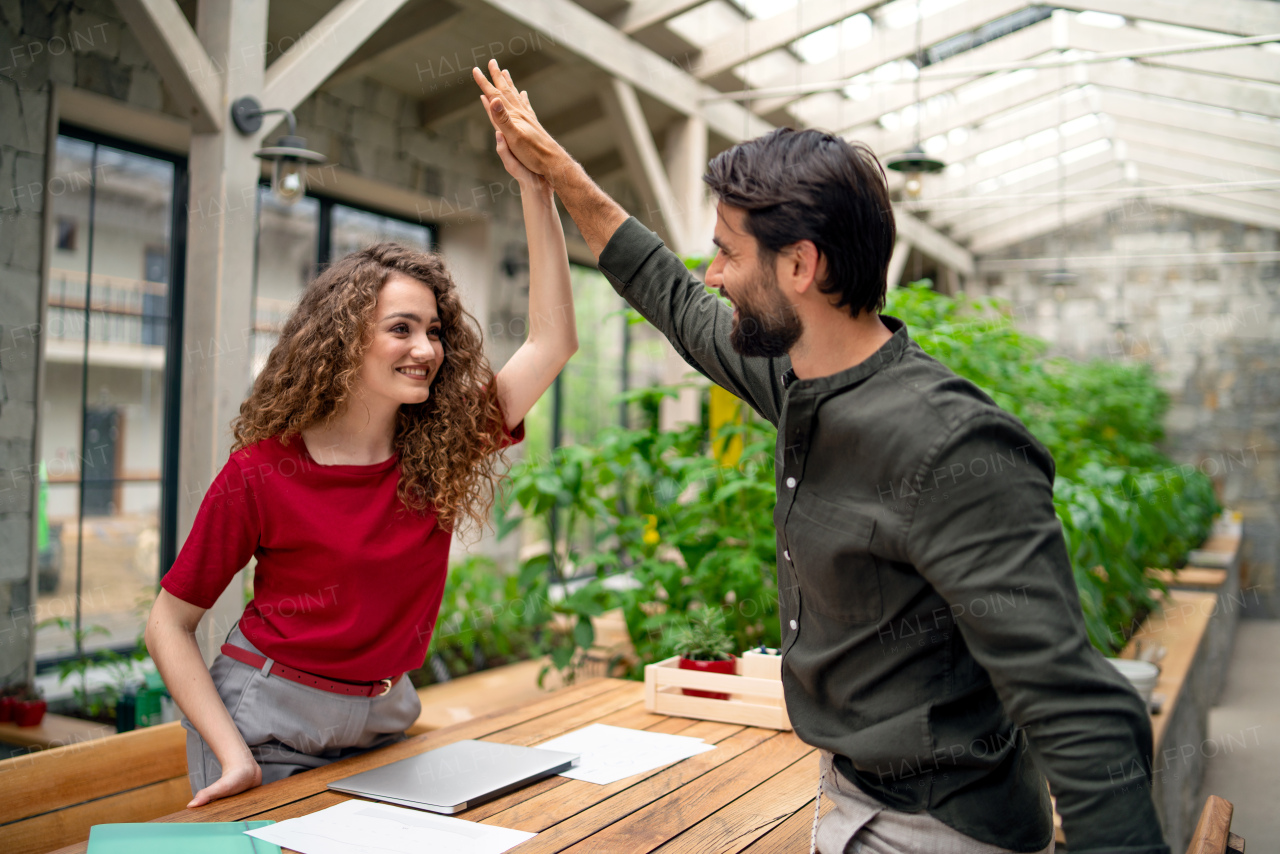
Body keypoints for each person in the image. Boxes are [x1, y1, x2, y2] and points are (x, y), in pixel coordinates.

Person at [472, 60, 1168, 854]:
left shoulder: (953, 448)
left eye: (728, 254)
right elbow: (669, 293)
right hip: (848, 793)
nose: (715, 275)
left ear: (801, 266)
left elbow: (1077, 708)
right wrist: (558, 174)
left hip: (938, 825)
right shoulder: (799, 377)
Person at [146, 122, 576, 808]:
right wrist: (233, 755)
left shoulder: (441, 444)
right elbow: (168, 621)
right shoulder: (262, 471)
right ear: (343, 341)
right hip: (268, 724)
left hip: (386, 719)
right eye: (401, 328)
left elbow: (552, 340)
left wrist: (535, 188)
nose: (427, 348)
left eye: (434, 330)